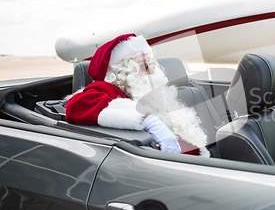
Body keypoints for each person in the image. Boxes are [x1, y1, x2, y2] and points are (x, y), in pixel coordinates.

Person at [65, 33, 209, 156]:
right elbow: (76, 106)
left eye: (151, 63)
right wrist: (147, 120)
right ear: (119, 73)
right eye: (142, 66)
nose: (151, 70)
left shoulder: (143, 92)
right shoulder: (106, 89)